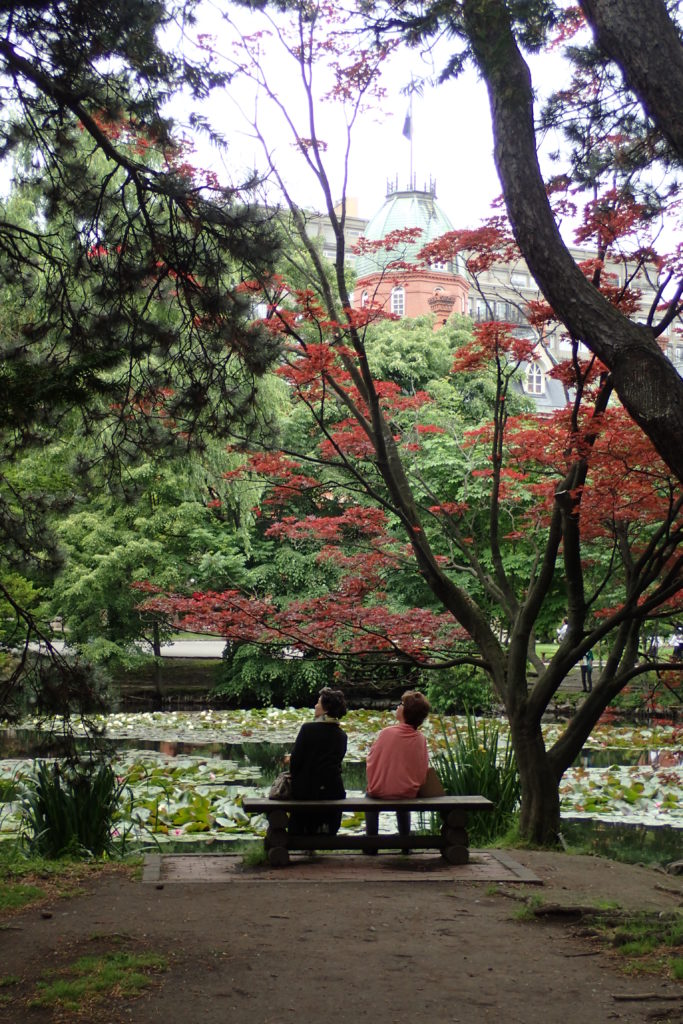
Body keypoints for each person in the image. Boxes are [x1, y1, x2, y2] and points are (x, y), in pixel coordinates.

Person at [364, 690, 431, 849]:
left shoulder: (386, 733)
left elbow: (371, 761)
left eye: (401, 704)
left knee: (369, 799)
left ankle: (371, 844)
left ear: (406, 711)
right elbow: (422, 770)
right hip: (407, 792)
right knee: (404, 796)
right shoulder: (420, 739)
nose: (398, 706)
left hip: (380, 792)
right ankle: (405, 843)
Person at [288, 687, 348, 836]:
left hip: (306, 791)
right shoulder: (341, 735)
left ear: (326, 709)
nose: (315, 706)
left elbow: (294, 762)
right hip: (333, 791)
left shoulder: (307, 729)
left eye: (318, 703)